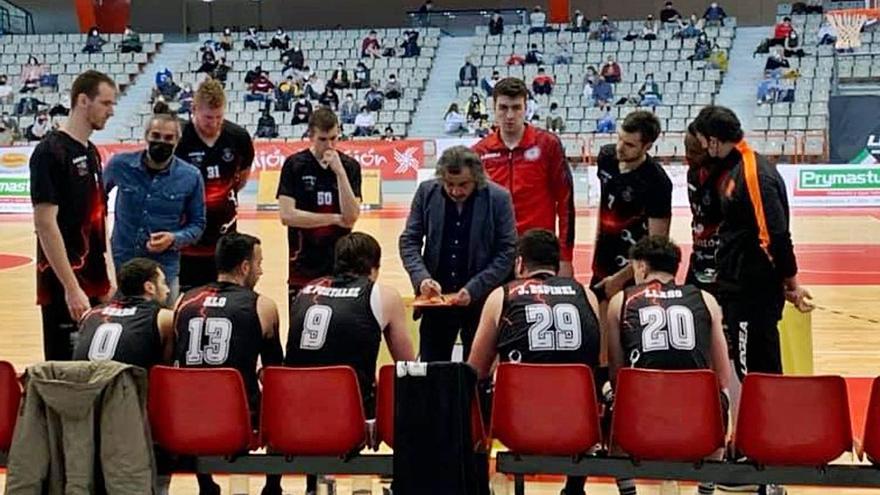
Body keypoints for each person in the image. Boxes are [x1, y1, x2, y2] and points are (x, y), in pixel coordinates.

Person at [468, 229, 602, 495]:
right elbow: (594, 360)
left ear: (519, 263)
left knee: (471, 390)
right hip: (576, 421)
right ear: (556, 265)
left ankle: (477, 483)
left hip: (519, 421)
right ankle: (574, 487)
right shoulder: (586, 295)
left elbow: (475, 369)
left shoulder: (503, 295)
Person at [690, 105, 814, 382]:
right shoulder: (735, 168)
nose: (699, 148)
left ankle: (772, 423)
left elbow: (774, 237)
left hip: (752, 293)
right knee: (753, 369)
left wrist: (790, 284)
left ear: (712, 140)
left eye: (701, 141)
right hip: (739, 288)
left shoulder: (752, 174)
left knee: (757, 372)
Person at [606, 235, 731, 495]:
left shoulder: (622, 301)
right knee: (720, 397)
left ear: (641, 267)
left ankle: (628, 490)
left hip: (642, 420)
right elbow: (723, 375)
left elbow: (618, 375)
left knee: (612, 395)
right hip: (698, 422)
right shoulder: (705, 299)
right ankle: (705, 489)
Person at [173, 232, 283, 495]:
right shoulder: (262, 306)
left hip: (185, 422)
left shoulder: (183, 302)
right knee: (280, 395)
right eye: (258, 264)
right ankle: (272, 487)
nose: (261, 271)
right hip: (238, 421)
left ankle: (206, 484)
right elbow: (276, 375)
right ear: (245, 267)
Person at [399, 145, 517, 361]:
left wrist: (474, 289)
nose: (455, 191)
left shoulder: (499, 198)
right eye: (449, 184)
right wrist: (422, 279)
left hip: (481, 302)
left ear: (477, 179)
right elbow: (409, 241)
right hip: (436, 302)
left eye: (463, 184)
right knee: (432, 371)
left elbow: (507, 251)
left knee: (476, 374)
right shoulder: (426, 192)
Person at [30, 70, 117, 360]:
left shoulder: (91, 152)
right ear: (83, 100)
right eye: (105, 103)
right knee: (65, 373)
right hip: (64, 289)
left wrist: (108, 276)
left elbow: (98, 220)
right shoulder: (49, 152)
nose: (111, 111)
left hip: (93, 283)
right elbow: (45, 224)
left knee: (94, 369)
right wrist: (71, 288)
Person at [286, 231, 416, 421]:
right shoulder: (382, 294)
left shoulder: (306, 290)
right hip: (349, 412)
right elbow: (407, 365)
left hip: (293, 408)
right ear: (374, 268)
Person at [474, 77, 575, 277]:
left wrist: (565, 257)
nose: (509, 115)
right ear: (493, 108)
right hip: (496, 252)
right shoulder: (480, 151)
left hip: (539, 252)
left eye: (516, 107)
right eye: (503, 108)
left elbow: (565, 202)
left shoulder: (548, 145)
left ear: (526, 108)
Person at [104, 114, 205, 302]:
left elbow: (197, 224)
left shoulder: (191, 176)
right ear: (146, 136)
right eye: (156, 136)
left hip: (163, 273)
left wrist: (173, 239)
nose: (161, 142)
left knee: (163, 328)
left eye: (168, 138)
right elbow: (96, 202)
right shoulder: (120, 165)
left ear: (177, 141)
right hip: (121, 268)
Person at [174, 79, 254, 293]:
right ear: (194, 109)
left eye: (219, 117)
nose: (214, 122)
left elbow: (241, 179)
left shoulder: (238, 138)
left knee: (226, 300)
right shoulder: (179, 139)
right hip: (187, 243)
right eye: (208, 117)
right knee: (189, 301)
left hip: (226, 241)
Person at [277, 108, 361, 297]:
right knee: (301, 323)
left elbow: (351, 217)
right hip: (302, 263)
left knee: (338, 324)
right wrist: (332, 218)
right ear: (311, 136)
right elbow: (287, 215)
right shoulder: (294, 165)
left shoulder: (350, 167)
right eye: (323, 139)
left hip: (341, 266)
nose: (329, 145)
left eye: (334, 138)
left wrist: (339, 172)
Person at [591, 110, 670, 305]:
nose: (619, 148)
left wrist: (620, 278)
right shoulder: (606, 158)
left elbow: (656, 242)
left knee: (628, 329)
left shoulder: (657, 182)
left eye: (629, 144)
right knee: (601, 331)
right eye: (619, 139)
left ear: (647, 146)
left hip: (633, 272)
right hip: (602, 263)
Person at [74, 257, 174, 368]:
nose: (168, 290)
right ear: (149, 287)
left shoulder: (90, 314)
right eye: (163, 283)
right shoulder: (164, 317)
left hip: (82, 382)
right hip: (125, 382)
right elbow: (168, 368)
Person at [683, 125, 722, 294]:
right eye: (686, 149)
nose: (688, 156)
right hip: (699, 260)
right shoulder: (693, 173)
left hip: (725, 267)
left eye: (694, 151)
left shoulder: (731, 177)